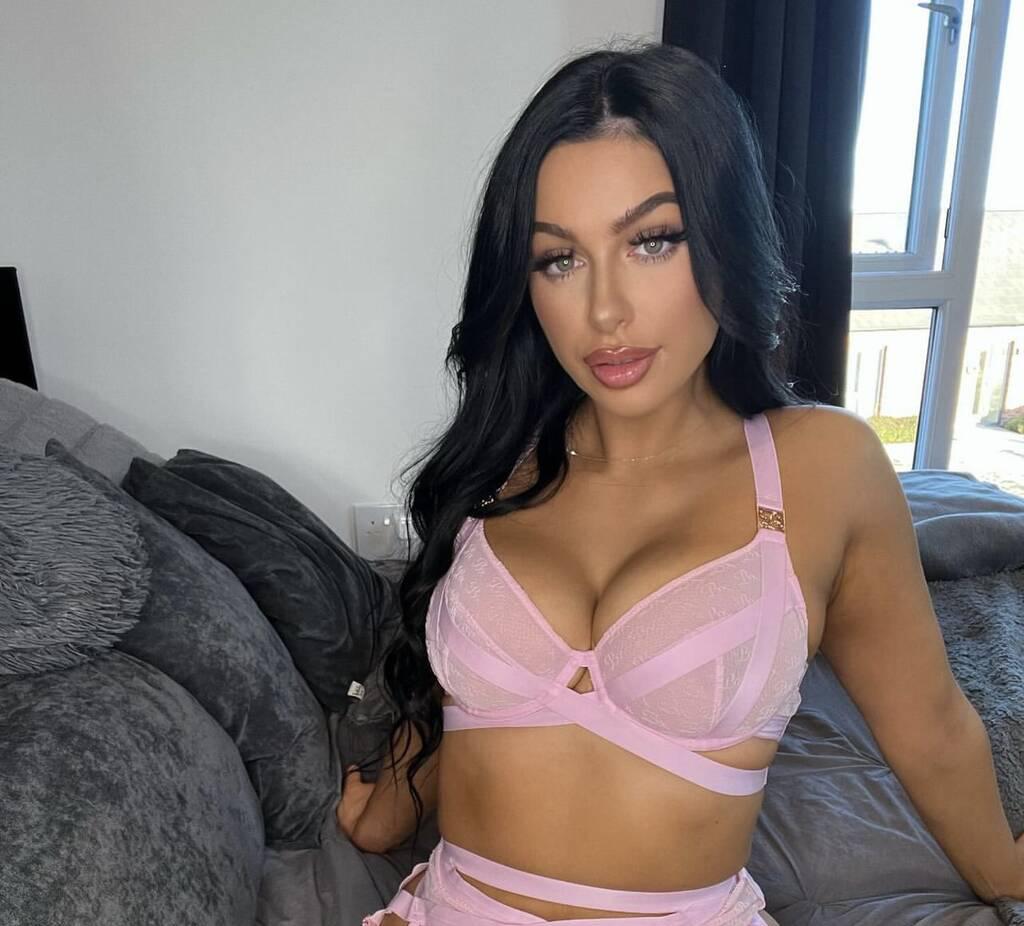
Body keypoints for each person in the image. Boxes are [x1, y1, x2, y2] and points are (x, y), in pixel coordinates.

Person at [339, 38, 1024, 926]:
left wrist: (1004, 870)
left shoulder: (823, 467)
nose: (605, 310)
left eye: (652, 241)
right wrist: (388, 806)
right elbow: (457, 691)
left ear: (725, 240)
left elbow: (931, 725)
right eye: (559, 259)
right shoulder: (498, 462)